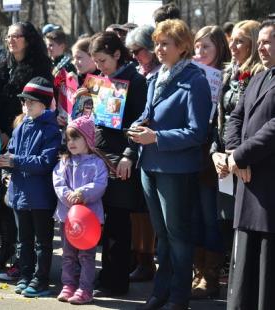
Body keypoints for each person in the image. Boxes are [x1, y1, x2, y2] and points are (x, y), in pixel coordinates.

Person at [128, 19, 213, 310]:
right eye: (157, 43)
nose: (159, 49)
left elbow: (197, 131)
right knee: (161, 235)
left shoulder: (195, 80)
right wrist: (139, 125)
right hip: (149, 165)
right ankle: (160, 291)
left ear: (183, 46)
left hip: (176, 169)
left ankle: (178, 296)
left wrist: (157, 137)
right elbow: (149, 113)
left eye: (166, 44)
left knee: (178, 235)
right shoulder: (157, 76)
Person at [0, 21, 52, 276]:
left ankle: (24, 260)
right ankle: (6, 249)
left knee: (24, 206)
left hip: (25, 135)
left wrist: (9, 131)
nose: (11, 40)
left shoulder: (40, 67)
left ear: (29, 40)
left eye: (17, 36)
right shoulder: (2, 64)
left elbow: (38, 104)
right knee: (3, 200)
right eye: (9, 36)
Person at [87, 31, 148, 297]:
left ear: (116, 54)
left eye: (103, 60)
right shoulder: (101, 81)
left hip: (121, 160)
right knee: (104, 220)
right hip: (99, 157)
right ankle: (105, 274)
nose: (99, 67)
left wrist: (128, 154)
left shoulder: (135, 80)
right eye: (96, 62)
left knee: (119, 222)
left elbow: (140, 122)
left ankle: (117, 280)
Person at [0, 76, 61, 297]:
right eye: (24, 102)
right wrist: (5, 166)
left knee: (42, 241)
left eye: (31, 102)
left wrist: (15, 162)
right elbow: (12, 152)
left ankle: (40, 280)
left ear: (45, 104)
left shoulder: (51, 130)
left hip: (41, 196)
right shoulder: (20, 127)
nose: (26, 105)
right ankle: (25, 276)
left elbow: (45, 162)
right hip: (19, 193)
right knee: (23, 240)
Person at [209, 20, 264, 292]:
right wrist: (219, 154)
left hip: (248, 160)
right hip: (228, 156)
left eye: (241, 41)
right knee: (224, 219)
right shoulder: (228, 73)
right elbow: (222, 119)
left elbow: (254, 122)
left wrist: (239, 158)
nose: (233, 45)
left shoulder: (261, 75)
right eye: (233, 40)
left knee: (241, 223)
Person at [225, 19, 275, 310]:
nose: (262, 48)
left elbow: (272, 130)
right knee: (244, 264)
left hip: (268, 187)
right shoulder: (258, 77)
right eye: (261, 42)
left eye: (268, 41)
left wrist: (239, 156)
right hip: (247, 183)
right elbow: (235, 117)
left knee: (266, 272)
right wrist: (233, 151)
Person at [191, 25, 231, 299]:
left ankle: (211, 276)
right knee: (193, 216)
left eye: (206, 46)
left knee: (210, 217)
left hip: (213, 156)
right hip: (190, 155)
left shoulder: (226, 76)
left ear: (219, 48)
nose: (200, 52)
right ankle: (197, 271)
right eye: (197, 46)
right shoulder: (191, 72)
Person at [53, 116, 109, 305]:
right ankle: (68, 285)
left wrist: (82, 193)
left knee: (86, 255)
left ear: (88, 139)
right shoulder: (65, 162)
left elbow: (100, 184)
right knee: (68, 254)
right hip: (67, 218)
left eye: (76, 138)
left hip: (89, 220)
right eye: (68, 139)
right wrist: (68, 195)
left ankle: (85, 288)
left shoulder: (97, 162)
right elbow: (58, 182)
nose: (71, 143)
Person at [125, 24, 161, 283]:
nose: (135, 56)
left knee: (148, 211)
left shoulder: (161, 74)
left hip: (154, 148)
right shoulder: (138, 72)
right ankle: (140, 259)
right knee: (137, 208)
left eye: (138, 50)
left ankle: (148, 261)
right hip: (134, 144)